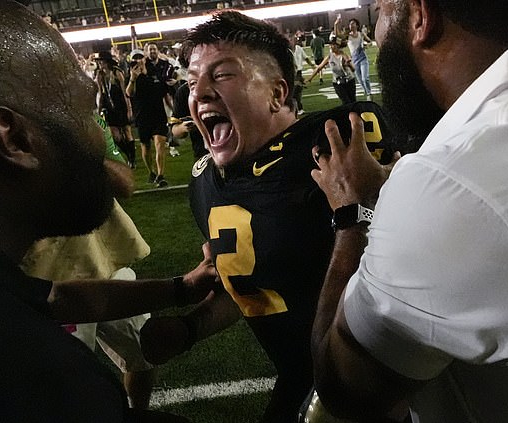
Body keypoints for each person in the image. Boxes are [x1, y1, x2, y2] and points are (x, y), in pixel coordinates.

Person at [0, 1, 218, 421]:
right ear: (13, 139)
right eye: (84, 108)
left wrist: (181, 287)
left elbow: (56, 298)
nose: (95, 135)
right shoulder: (17, 369)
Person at [310, 1, 508, 422]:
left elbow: (345, 389)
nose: (377, 32)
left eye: (381, 12)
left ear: (419, 17)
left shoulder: (454, 184)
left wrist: (351, 212)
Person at [139, 11, 397, 423]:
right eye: (191, 81)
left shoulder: (336, 138)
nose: (199, 93)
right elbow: (253, 285)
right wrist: (191, 328)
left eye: (221, 75)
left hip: (386, 381)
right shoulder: (204, 182)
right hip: (301, 378)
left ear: (277, 93)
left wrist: (361, 209)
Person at [21, 114, 156, 411]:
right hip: (47, 278)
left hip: (107, 264)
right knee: (67, 383)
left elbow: (125, 184)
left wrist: (79, 153)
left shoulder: (82, 117)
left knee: (145, 353)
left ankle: (138, 413)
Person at [126, 45, 174, 188]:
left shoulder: (154, 70)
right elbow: (129, 93)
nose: (138, 60)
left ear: (144, 58)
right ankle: (151, 172)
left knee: (160, 142)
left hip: (158, 114)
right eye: (135, 58)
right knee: (146, 147)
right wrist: (133, 79)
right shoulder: (132, 74)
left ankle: (160, 175)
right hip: (142, 116)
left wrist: (172, 108)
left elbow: (164, 92)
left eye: (140, 57)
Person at [94, 50, 137, 168]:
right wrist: (99, 110)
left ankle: (132, 159)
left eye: (101, 62)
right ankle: (128, 154)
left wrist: (129, 109)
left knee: (127, 131)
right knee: (115, 135)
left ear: (107, 62)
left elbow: (125, 93)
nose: (99, 64)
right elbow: (101, 94)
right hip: (109, 108)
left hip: (121, 105)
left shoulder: (117, 73)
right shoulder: (100, 75)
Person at [307, 37, 356, 105]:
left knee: (353, 101)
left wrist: (348, 65)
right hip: (337, 82)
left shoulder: (344, 55)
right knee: (346, 102)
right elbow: (319, 68)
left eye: (332, 44)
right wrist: (310, 78)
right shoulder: (329, 57)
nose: (330, 46)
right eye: (330, 45)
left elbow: (353, 69)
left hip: (349, 81)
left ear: (337, 46)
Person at [338, 16, 373, 101]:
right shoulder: (347, 36)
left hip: (363, 58)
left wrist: (367, 45)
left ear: (357, 25)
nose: (351, 25)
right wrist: (336, 24)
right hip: (354, 60)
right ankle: (366, 92)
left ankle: (368, 94)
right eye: (350, 24)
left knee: (365, 78)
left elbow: (370, 42)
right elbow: (338, 35)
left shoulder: (361, 34)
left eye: (353, 23)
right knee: (360, 80)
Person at [292, 37, 314, 115]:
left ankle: (299, 109)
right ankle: (296, 109)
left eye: (293, 40)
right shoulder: (287, 50)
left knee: (297, 92)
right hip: (291, 73)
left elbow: (306, 58)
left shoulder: (299, 49)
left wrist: (312, 65)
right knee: (294, 92)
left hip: (298, 73)